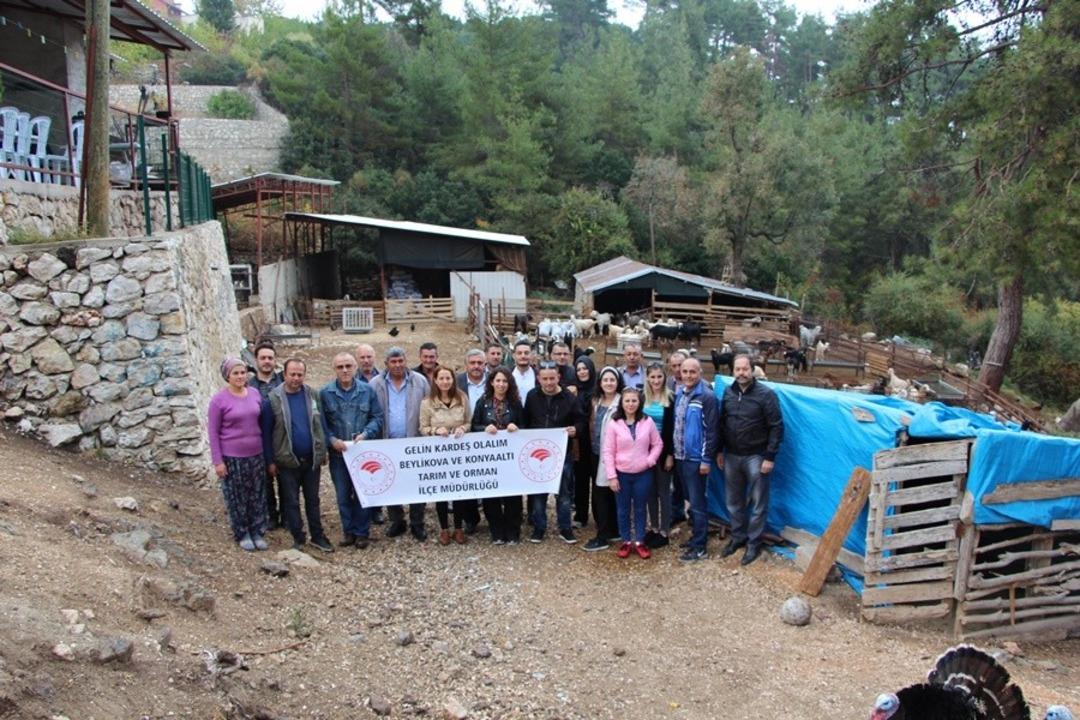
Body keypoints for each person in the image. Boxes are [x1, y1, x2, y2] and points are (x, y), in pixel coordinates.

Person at [717, 354, 784, 565]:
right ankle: (738, 537)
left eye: (745, 369)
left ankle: (754, 543)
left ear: (752, 370)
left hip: (756, 456)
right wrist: (719, 450)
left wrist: (770, 456)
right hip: (732, 455)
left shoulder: (766, 395)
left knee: (758, 502)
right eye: (737, 369)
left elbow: (776, 426)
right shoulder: (728, 392)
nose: (741, 373)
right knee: (733, 501)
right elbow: (722, 423)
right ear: (733, 371)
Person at [262, 358, 333, 553]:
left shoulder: (312, 395)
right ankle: (298, 538)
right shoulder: (273, 399)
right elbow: (267, 433)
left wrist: (323, 449)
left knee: (313, 500)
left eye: (299, 374)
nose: (296, 378)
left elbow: (321, 424)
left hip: (311, 460)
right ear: (284, 374)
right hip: (287, 461)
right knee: (291, 502)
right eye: (292, 374)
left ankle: (318, 536)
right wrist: (270, 461)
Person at [320, 352, 383, 549]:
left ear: (355, 367)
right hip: (339, 455)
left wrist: (366, 434)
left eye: (348, 366)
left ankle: (362, 531)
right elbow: (321, 423)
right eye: (340, 367)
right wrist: (331, 440)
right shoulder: (325, 393)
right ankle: (348, 530)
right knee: (342, 494)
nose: (345, 370)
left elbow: (377, 417)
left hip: (362, 453)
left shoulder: (367, 391)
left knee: (363, 493)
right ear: (334, 369)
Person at [369, 347, 431, 541]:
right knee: (391, 483)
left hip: (414, 442)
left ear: (406, 361)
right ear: (386, 363)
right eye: (393, 362)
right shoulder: (375, 384)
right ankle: (397, 520)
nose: (397, 365)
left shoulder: (420, 381)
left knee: (417, 484)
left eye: (400, 361)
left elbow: (429, 407)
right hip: (387, 443)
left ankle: (417, 523)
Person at [208, 357, 268, 552]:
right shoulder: (219, 401)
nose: (240, 376)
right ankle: (242, 533)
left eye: (243, 372)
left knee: (257, 494)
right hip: (232, 457)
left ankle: (258, 530)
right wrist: (218, 461)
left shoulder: (254, 394)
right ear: (227, 376)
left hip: (256, 454)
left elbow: (261, 423)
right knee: (237, 496)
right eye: (236, 373)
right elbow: (213, 432)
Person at [522, 361, 584, 544]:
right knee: (539, 492)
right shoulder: (532, 396)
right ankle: (539, 527)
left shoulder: (569, 398)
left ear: (559, 377)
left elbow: (580, 420)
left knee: (564, 492)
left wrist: (576, 430)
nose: (549, 382)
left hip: (562, 453)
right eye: (545, 379)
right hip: (537, 452)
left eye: (552, 378)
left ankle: (565, 527)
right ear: (538, 379)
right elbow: (525, 421)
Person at [603, 388, 663, 559]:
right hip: (621, 473)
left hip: (642, 474)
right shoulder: (615, 423)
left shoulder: (647, 421)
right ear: (622, 403)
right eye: (627, 401)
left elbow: (658, 444)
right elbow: (608, 451)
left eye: (634, 401)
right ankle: (626, 540)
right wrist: (612, 476)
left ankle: (640, 541)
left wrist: (650, 460)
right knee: (622, 509)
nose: (630, 404)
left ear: (640, 402)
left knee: (640, 508)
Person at [421, 365, 478, 544]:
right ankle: (444, 528)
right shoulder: (427, 403)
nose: (445, 382)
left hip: (460, 452)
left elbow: (470, 421)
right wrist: (436, 430)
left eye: (448, 378)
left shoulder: (462, 398)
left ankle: (459, 528)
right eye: (441, 378)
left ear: (453, 380)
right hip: (438, 454)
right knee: (442, 493)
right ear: (435, 381)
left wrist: (463, 427)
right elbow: (422, 428)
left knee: (459, 490)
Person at [471, 367, 524, 544]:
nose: (501, 384)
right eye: (498, 381)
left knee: (513, 495)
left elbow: (525, 428)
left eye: (505, 381)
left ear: (510, 384)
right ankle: (497, 531)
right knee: (491, 495)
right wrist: (484, 429)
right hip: (489, 458)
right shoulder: (482, 402)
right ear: (492, 382)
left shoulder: (516, 403)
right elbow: (474, 426)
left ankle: (513, 531)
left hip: (511, 458)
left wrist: (516, 428)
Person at [673, 357, 719, 562]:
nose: (689, 376)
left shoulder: (706, 397)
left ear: (699, 373)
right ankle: (695, 538)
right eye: (685, 372)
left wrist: (706, 459)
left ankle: (700, 546)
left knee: (698, 503)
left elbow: (712, 431)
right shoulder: (680, 394)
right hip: (680, 455)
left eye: (693, 372)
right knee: (690, 500)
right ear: (680, 374)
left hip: (695, 458)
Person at [582, 366, 622, 552]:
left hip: (613, 455)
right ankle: (609, 529)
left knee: (604, 494)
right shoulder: (595, 400)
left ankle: (604, 534)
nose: (609, 383)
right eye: (605, 380)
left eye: (612, 380)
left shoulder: (622, 402)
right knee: (599, 492)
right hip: (595, 451)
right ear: (600, 382)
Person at [247, 341, 284, 530]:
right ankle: (271, 514)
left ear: (275, 360)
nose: (267, 361)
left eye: (270, 358)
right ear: (256, 361)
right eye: (263, 358)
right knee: (264, 481)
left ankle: (287, 515)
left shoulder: (285, 381)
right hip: (259, 438)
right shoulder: (249, 387)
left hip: (283, 439)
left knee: (286, 480)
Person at [642, 362, 675, 549]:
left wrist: (670, 454)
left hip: (662, 451)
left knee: (664, 492)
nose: (656, 380)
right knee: (650, 491)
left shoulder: (670, 399)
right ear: (647, 377)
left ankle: (664, 531)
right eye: (652, 377)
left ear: (665, 378)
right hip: (645, 452)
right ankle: (653, 527)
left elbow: (671, 429)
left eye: (659, 377)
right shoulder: (642, 398)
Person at [571, 356, 597, 529]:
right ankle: (581, 515)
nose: (582, 372)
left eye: (585, 368)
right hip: (578, 442)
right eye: (579, 369)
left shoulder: (598, 389)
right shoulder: (573, 391)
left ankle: (599, 515)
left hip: (596, 442)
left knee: (597, 481)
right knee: (580, 480)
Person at [510, 340, 536, 405]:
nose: (523, 356)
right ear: (514, 356)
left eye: (526, 353)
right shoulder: (507, 375)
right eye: (519, 353)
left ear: (532, 355)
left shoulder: (539, 376)